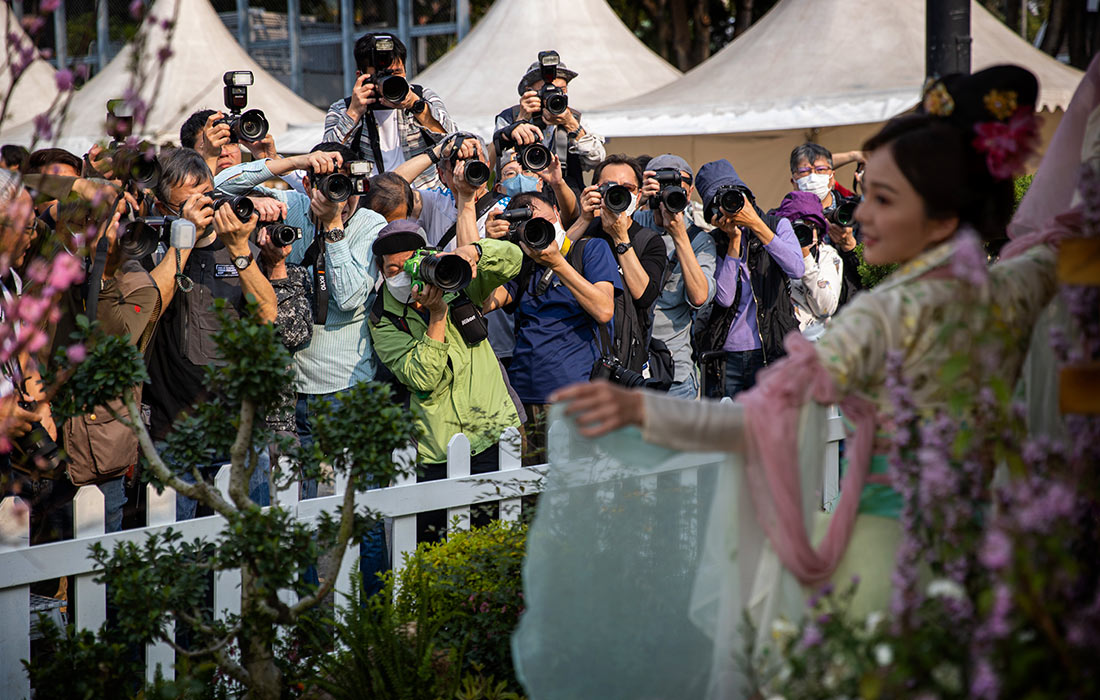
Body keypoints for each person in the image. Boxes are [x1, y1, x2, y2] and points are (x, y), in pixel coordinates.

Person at [524, 65, 1058, 698]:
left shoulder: (895, 313)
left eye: (884, 200)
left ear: (941, 214)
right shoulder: (1013, 283)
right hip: (999, 534)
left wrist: (648, 417)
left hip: (899, 551)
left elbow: (762, 415)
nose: (860, 214)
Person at [142, 148, 277, 520]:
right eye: (188, 204)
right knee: (176, 545)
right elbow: (149, 310)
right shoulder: (153, 250)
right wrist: (183, 240)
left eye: (207, 197)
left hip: (240, 428)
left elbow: (268, 314)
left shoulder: (238, 241)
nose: (202, 209)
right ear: (163, 207)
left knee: (246, 539)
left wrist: (239, 250)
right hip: (175, 428)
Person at [369, 219, 522, 538]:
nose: (403, 274)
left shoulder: (456, 280)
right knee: (440, 547)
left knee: (500, 541)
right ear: (381, 272)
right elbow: (422, 377)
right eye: (393, 269)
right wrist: (437, 316)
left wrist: (473, 252)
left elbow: (514, 260)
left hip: (492, 435)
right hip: (436, 450)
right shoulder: (383, 319)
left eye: (410, 264)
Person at [484, 191, 616, 462]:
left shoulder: (590, 250)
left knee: (575, 481)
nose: (541, 229)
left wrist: (557, 263)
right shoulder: (521, 265)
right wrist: (489, 247)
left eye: (544, 220)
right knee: (529, 484)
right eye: (531, 226)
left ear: (557, 213)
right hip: (523, 394)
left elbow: (604, 310)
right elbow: (483, 303)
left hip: (575, 394)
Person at [697, 159, 803, 398]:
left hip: (772, 347)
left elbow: (796, 269)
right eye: (721, 202)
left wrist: (755, 224)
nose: (731, 206)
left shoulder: (777, 225)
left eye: (735, 197)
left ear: (747, 197)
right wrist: (733, 240)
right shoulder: (713, 241)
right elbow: (724, 298)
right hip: (727, 353)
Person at [324, 33, 455, 190]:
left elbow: (453, 141)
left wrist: (415, 105)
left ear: (405, 71)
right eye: (382, 76)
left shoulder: (423, 96)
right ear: (361, 76)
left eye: (397, 74)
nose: (390, 81)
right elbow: (325, 159)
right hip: (371, 201)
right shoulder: (343, 109)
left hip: (424, 199)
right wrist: (353, 114)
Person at [634, 154, 716, 398]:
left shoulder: (699, 240)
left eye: (676, 186)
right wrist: (636, 199)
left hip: (674, 373)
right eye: (661, 185)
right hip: (629, 369)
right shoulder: (631, 222)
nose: (667, 193)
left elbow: (700, 297)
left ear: (689, 192)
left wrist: (679, 235)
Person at [574, 155, 669, 351]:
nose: (618, 193)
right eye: (609, 187)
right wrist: (583, 219)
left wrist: (620, 237)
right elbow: (553, 264)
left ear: (639, 195)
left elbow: (644, 297)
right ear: (595, 191)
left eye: (627, 188)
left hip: (625, 349)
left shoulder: (650, 241)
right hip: (579, 343)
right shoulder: (585, 230)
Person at [495, 51, 606, 193]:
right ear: (529, 92)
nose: (553, 95)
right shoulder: (509, 117)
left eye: (560, 90)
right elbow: (500, 164)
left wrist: (571, 125)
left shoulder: (575, 118)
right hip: (522, 195)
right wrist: (521, 121)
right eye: (545, 91)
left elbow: (596, 160)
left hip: (566, 198)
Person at [789, 143, 864, 308]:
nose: (813, 177)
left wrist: (850, 247)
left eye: (821, 170)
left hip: (849, 309)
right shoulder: (784, 218)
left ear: (832, 177)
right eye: (804, 171)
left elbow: (872, 274)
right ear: (793, 181)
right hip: (801, 311)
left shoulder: (856, 213)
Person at [772, 191, 843, 341]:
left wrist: (806, 258)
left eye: (811, 226)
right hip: (778, 341)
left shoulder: (828, 256)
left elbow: (825, 309)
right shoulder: (773, 253)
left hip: (815, 344)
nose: (805, 231)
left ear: (818, 229)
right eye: (798, 226)